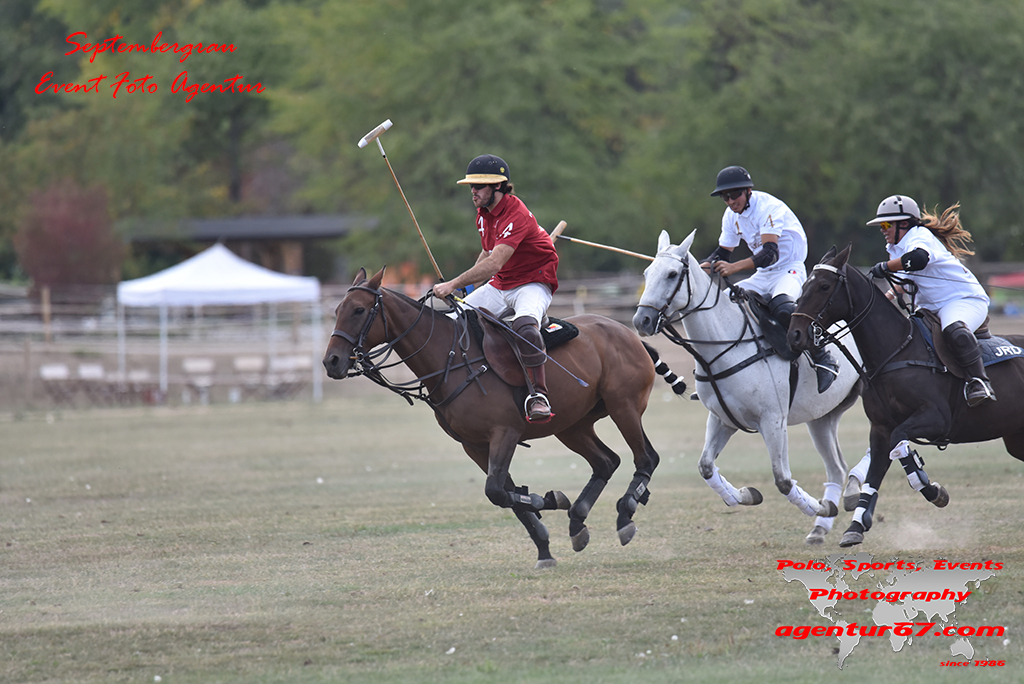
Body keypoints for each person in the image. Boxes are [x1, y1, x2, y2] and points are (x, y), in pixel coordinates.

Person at [433, 154, 560, 423]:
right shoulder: (484, 214)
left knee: (525, 328)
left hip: (533, 281)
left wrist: (453, 283)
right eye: (471, 186)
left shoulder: (516, 214)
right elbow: (487, 253)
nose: (473, 191)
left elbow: (494, 262)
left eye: (479, 186)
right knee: (455, 321)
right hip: (502, 282)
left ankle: (538, 396)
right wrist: (468, 288)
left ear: (498, 186)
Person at [701, 165, 839, 393]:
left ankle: (823, 357)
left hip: (789, 269)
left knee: (783, 307)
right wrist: (694, 268)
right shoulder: (730, 216)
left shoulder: (768, 207)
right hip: (762, 275)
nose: (730, 201)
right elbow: (722, 254)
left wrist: (734, 267)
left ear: (748, 191)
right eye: (725, 197)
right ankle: (719, 373)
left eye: (734, 194)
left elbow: (769, 254)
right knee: (722, 305)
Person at [866, 195, 995, 406]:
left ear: (904, 224)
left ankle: (979, 382)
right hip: (929, 308)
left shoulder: (919, 236)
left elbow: (918, 259)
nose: (882, 229)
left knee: (954, 329)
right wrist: (887, 296)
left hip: (963, 300)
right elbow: (905, 280)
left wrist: (886, 267)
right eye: (881, 225)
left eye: (886, 224)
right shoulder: (896, 248)